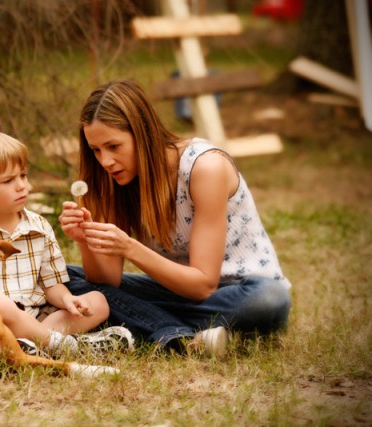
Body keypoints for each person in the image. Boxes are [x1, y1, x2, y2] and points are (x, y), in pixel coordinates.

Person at [58, 79, 291, 357]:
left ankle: (147, 324)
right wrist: (85, 240)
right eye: (96, 150)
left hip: (234, 293)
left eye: (113, 146)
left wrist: (130, 248)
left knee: (269, 300)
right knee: (65, 277)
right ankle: (179, 335)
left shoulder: (205, 167)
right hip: (173, 291)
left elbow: (204, 285)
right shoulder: (113, 179)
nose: (105, 161)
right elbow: (105, 281)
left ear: (143, 133)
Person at [0, 130, 134, 357]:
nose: (21, 185)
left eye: (23, 175)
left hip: (36, 316)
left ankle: (28, 346)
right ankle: (63, 346)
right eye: (8, 181)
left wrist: (67, 299)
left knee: (98, 302)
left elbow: (51, 284)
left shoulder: (39, 226)